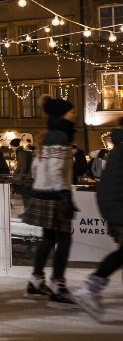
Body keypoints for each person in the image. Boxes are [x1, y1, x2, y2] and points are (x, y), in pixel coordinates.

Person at [21, 96, 78, 308]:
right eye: (70, 111)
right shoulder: (60, 135)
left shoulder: (48, 135)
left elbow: (37, 167)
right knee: (64, 239)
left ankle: (36, 282)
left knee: (48, 238)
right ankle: (57, 287)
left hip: (43, 192)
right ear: (62, 114)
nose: (73, 114)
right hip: (55, 195)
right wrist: (63, 195)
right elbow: (55, 169)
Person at [73, 128, 123, 321]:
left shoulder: (118, 150)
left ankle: (90, 288)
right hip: (118, 207)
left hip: (113, 207)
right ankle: (89, 289)